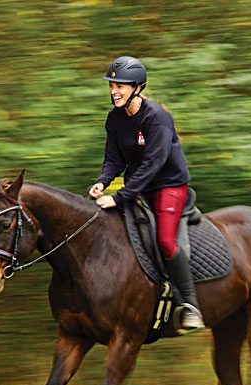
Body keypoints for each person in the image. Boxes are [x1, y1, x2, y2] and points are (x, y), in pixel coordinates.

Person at [88, 56, 205, 332]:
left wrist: (119, 197)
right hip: (139, 187)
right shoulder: (114, 119)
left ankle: (191, 306)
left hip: (168, 186)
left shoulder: (157, 117)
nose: (114, 91)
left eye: (121, 86)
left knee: (165, 241)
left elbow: (155, 164)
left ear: (137, 88)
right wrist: (102, 182)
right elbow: (114, 159)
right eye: (112, 85)